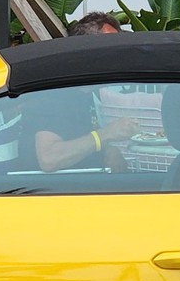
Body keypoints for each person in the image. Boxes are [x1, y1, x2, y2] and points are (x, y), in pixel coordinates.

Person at [33, 12, 137, 170]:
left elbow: (82, 138)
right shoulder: (53, 95)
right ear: (89, 52)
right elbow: (49, 159)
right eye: (112, 51)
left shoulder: (87, 91)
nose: (117, 58)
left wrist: (107, 150)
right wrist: (106, 134)